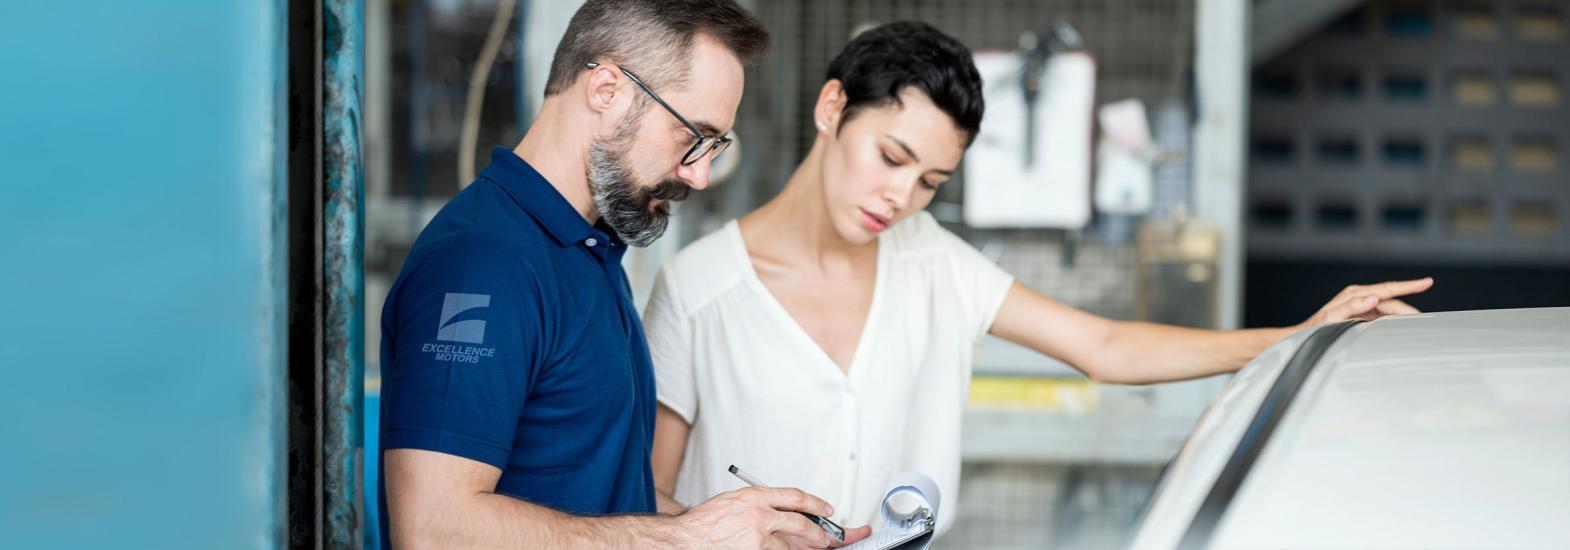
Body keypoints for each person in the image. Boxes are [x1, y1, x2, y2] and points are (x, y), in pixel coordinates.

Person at [643, 20, 1433, 538]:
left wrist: (1301, 337)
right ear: (830, 108)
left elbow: (1106, 345)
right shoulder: (698, 289)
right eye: (891, 157)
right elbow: (648, 503)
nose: (901, 196)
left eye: (930, 181)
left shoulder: (932, 261)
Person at [377, 1, 868, 548]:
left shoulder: (589, 248)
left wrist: (742, 533)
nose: (700, 175)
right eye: (692, 136)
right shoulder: (483, 264)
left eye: (714, 147)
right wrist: (684, 539)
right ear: (607, 90)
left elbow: (596, 496)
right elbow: (433, 529)